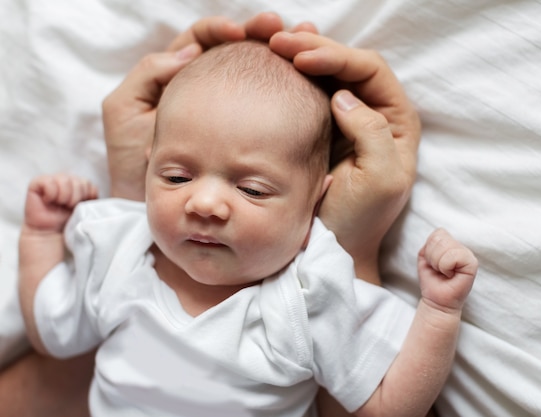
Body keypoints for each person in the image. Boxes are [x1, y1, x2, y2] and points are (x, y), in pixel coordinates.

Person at [18, 39, 477, 417]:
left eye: (253, 190)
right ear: (147, 166)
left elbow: (384, 406)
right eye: (177, 177)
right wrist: (40, 236)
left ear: (316, 198)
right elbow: (50, 330)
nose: (205, 203)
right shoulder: (118, 249)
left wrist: (438, 313)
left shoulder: (308, 294)